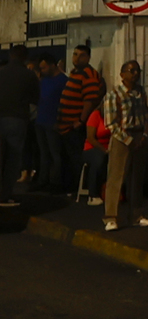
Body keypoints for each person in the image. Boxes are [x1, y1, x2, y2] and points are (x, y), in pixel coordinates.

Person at [100, 59, 148, 231]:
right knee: (116, 178)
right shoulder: (114, 95)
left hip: (139, 135)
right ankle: (111, 217)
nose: (135, 74)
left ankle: (136, 215)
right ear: (122, 74)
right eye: (132, 71)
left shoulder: (140, 92)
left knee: (137, 179)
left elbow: (146, 115)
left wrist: (144, 135)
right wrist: (128, 140)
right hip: (122, 137)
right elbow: (111, 123)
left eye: (138, 71)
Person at [58, 44, 106, 178]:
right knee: (68, 160)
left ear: (88, 58)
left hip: (75, 126)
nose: (77, 58)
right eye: (75, 54)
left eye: (82, 55)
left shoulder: (88, 74)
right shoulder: (75, 73)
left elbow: (89, 101)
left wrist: (81, 120)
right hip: (66, 126)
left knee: (75, 161)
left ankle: (75, 185)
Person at [0, 45, 36, 207]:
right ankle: (5, 195)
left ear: (10, 55)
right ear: (25, 58)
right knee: (13, 159)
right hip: (17, 119)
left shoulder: (1, 73)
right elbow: (35, 99)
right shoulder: (28, 75)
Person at [35, 53, 68, 194]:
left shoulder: (63, 81)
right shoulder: (45, 80)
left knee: (54, 153)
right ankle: (43, 180)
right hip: (41, 119)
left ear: (52, 65)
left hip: (53, 120)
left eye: (44, 67)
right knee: (44, 152)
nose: (42, 70)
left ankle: (55, 182)